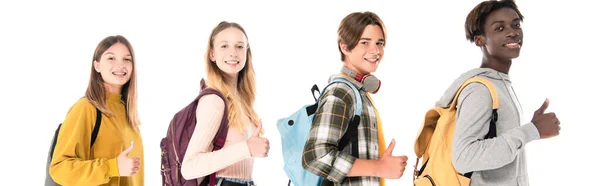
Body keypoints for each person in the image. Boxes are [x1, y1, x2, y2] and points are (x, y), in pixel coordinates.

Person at [438, 1, 562, 185]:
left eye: (516, 24)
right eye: (499, 28)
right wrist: (532, 130)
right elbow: (464, 158)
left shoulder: (500, 84)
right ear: (480, 39)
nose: (512, 32)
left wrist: (531, 129)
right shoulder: (480, 90)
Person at [302, 11, 408, 186]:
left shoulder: (358, 93)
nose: (375, 51)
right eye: (364, 42)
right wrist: (379, 168)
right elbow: (315, 156)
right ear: (345, 47)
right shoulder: (341, 92)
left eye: (379, 43)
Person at [180, 21, 269, 186]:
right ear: (212, 54)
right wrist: (246, 148)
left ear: (247, 52)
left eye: (239, 46)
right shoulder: (214, 101)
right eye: (224, 46)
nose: (233, 53)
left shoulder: (241, 101)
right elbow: (189, 167)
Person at [49, 35, 144, 186]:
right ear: (97, 65)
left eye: (127, 59)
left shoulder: (128, 115)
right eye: (111, 58)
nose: (120, 65)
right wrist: (113, 167)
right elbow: (59, 168)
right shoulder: (86, 109)